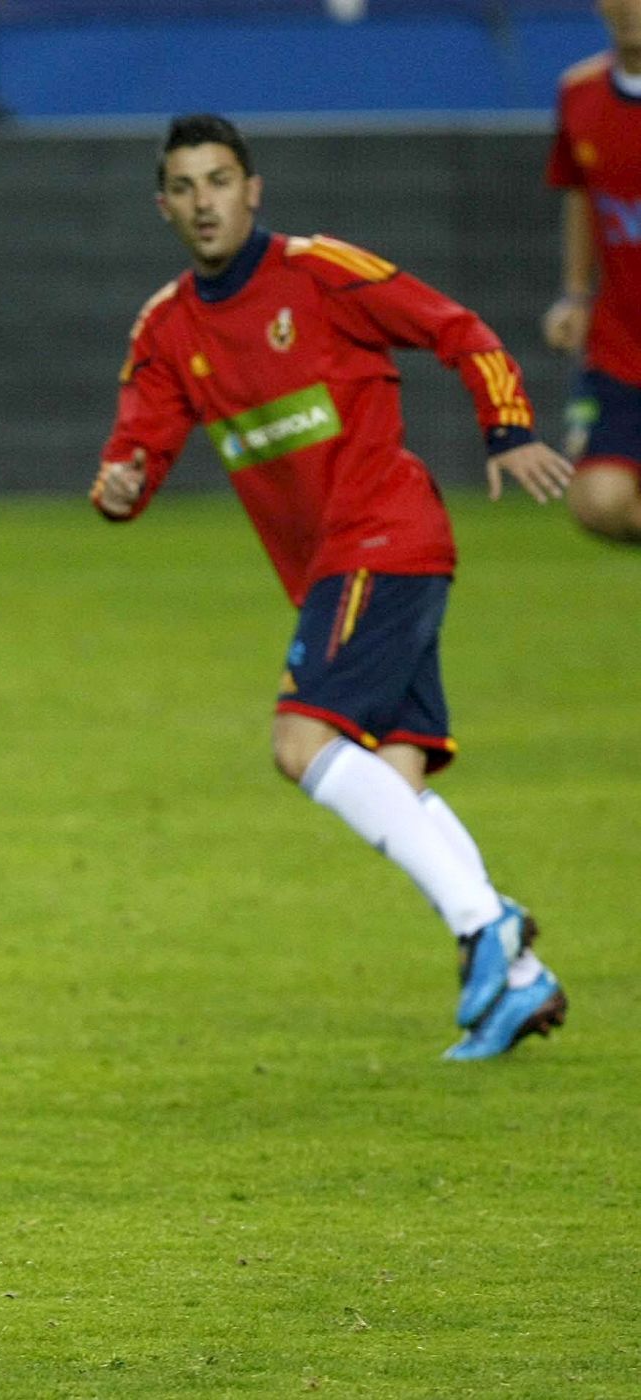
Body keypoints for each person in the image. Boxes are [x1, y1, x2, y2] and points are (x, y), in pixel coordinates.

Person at [90, 114, 573, 1062]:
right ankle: (516, 983)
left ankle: (489, 923)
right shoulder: (167, 328)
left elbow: (457, 331)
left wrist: (507, 428)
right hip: (341, 567)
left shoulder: (318, 273)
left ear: (252, 189)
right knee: (388, 778)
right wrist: (120, 485)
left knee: (299, 741)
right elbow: (135, 454)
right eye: (184, 188)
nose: (203, 202)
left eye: (219, 180)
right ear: (163, 207)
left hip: (383, 537)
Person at [543, 0, 641, 545]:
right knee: (598, 503)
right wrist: (575, 294)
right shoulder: (579, 92)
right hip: (621, 342)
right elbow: (581, 194)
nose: (628, 9)